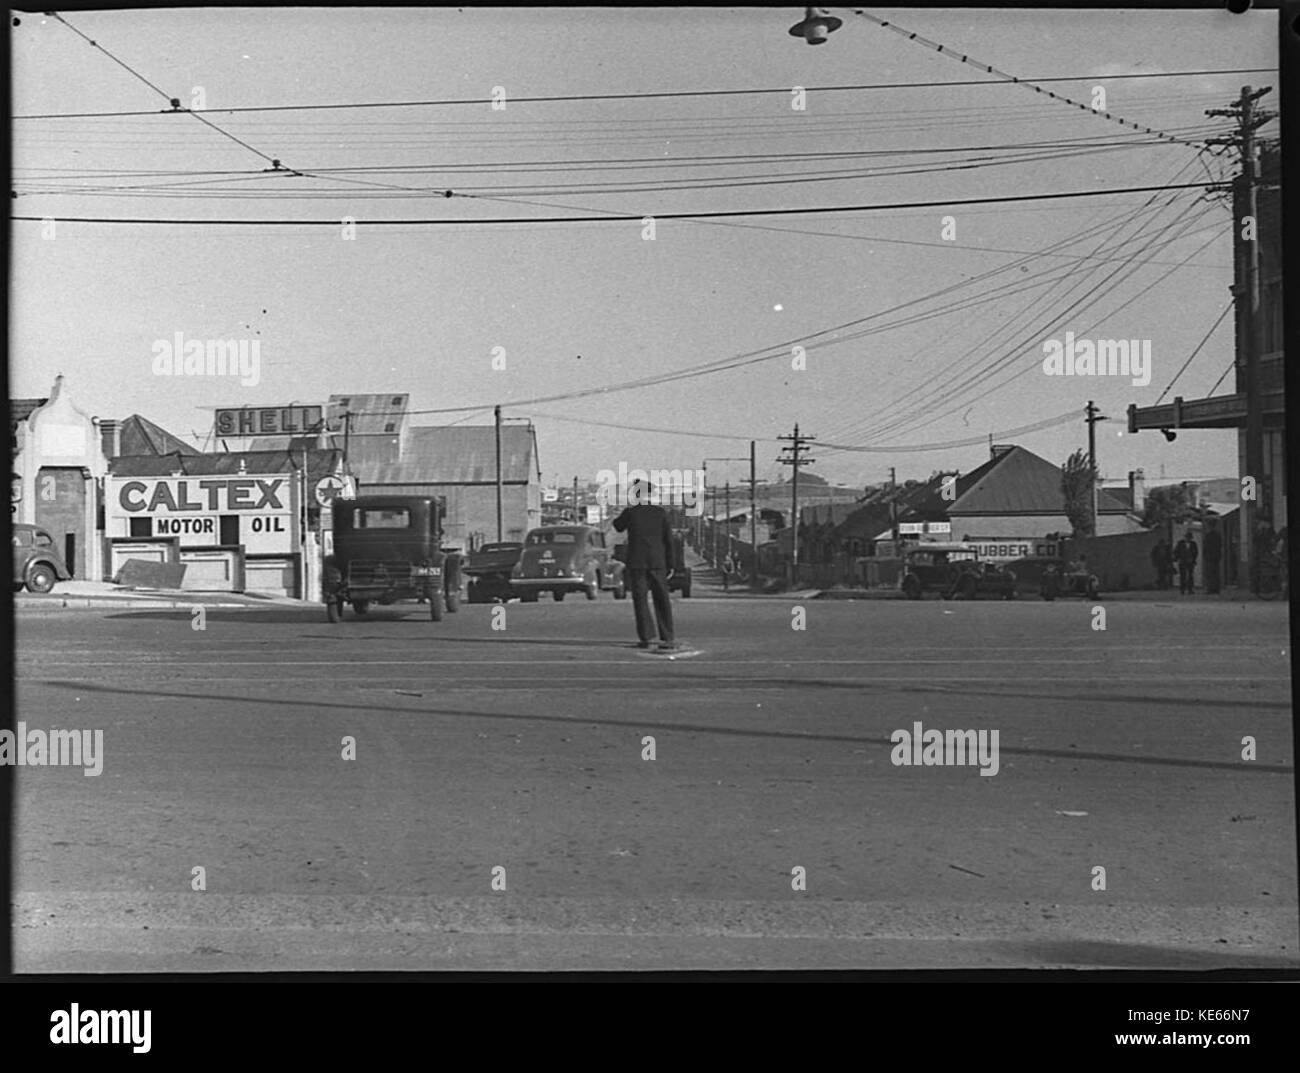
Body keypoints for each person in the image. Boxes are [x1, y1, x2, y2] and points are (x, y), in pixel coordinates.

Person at [612, 479, 677, 650]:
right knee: (662, 598)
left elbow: (618, 527)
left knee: (640, 599)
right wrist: (671, 563)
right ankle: (667, 637)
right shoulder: (660, 513)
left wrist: (625, 508)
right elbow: (668, 540)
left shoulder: (631, 512)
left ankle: (646, 637)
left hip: (637, 561)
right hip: (658, 561)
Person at [1173, 530, 1198, 595]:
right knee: (1182, 576)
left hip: (1190, 561)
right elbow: (1176, 551)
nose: (1188, 538)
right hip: (1182, 561)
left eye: (1189, 537)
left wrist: (1193, 559)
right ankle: (1182, 589)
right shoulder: (1180, 543)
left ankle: (1190, 589)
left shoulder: (1193, 544)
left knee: (1190, 576)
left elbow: (1195, 552)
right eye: (1187, 537)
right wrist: (1177, 558)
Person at [1202, 522, 1223, 595]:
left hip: (1210, 557)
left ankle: (1211, 589)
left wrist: (1205, 555)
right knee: (1215, 573)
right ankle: (1216, 589)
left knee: (1210, 573)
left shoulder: (1208, 536)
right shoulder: (1217, 535)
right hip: (1216, 557)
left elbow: (1206, 547)